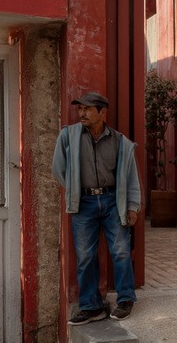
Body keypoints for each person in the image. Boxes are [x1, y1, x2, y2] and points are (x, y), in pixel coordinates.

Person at [51, 90, 142, 324]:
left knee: (121, 251)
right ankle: (91, 307)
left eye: (87, 109)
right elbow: (58, 168)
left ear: (102, 113)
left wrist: (132, 206)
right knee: (85, 256)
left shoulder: (120, 142)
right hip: (84, 203)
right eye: (80, 109)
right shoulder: (68, 136)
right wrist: (74, 189)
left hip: (113, 201)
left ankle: (125, 300)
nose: (81, 113)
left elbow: (130, 176)